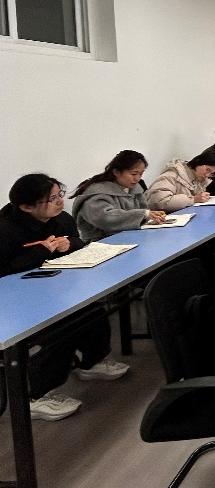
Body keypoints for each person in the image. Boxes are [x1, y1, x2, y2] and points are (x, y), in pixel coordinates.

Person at [0, 174, 129, 421]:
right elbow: (3, 270)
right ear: (27, 207)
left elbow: (78, 241)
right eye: (51, 199)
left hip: (52, 287)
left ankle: (92, 362)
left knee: (92, 310)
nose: (60, 201)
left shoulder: (61, 218)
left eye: (60, 194)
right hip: (14, 299)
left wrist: (70, 244)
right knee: (62, 327)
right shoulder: (6, 230)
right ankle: (36, 395)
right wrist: (39, 252)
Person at [72, 150, 166, 241]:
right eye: (133, 174)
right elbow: (105, 218)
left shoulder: (135, 189)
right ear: (116, 172)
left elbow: (144, 210)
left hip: (131, 236)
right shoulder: (96, 193)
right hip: (102, 242)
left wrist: (152, 216)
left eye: (140, 174)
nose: (137, 178)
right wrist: (144, 214)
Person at [145, 148, 215, 212]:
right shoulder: (171, 175)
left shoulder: (199, 180)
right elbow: (159, 201)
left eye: (211, 174)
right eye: (207, 170)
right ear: (199, 162)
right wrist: (193, 199)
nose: (207, 175)